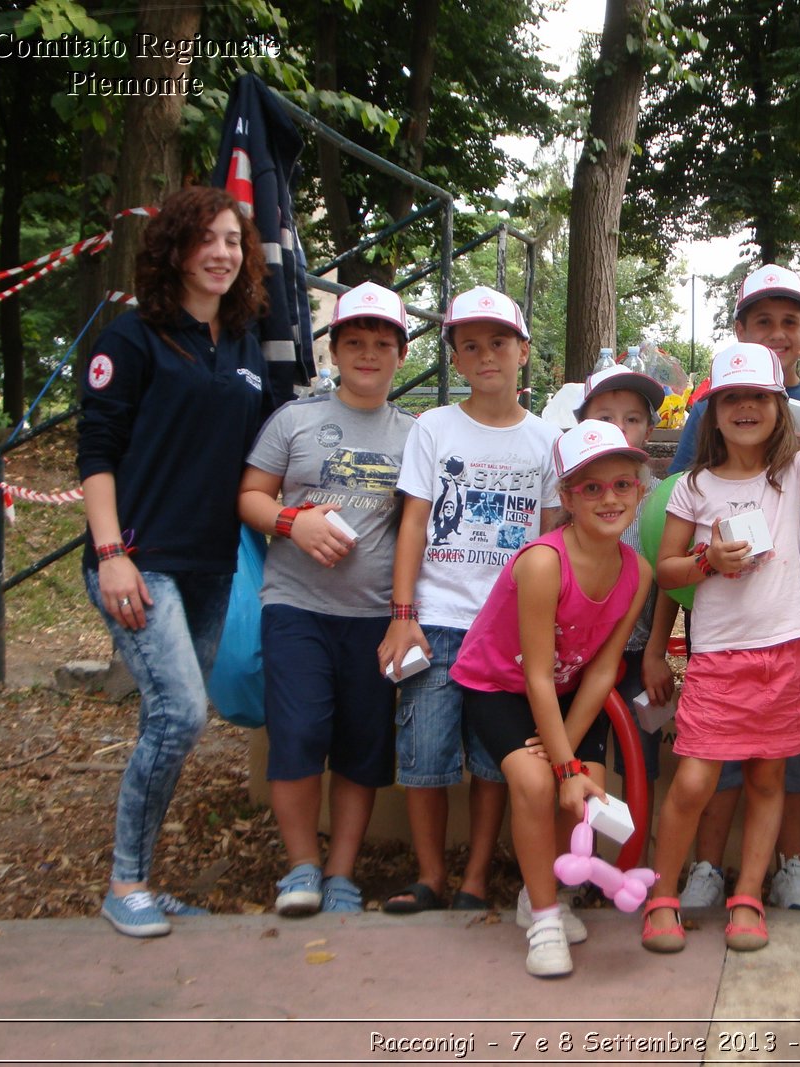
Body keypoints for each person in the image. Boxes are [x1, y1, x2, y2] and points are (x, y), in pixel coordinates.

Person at [78, 185, 274, 937]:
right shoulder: (131, 339)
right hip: (137, 559)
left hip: (211, 563)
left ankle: (141, 880)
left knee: (169, 722)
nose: (223, 252)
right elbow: (95, 454)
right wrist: (111, 554)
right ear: (174, 249)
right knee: (182, 711)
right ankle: (126, 881)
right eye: (207, 239)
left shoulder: (245, 343)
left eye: (233, 239)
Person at [641, 340, 800, 954]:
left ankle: (748, 896)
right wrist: (706, 561)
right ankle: (663, 896)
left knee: (770, 779)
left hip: (786, 650)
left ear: (780, 405)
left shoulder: (794, 473)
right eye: (731, 398)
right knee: (693, 781)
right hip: (717, 658)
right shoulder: (693, 485)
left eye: (758, 398)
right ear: (712, 412)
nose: (745, 408)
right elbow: (665, 570)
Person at [380, 286, 561, 915]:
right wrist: (403, 616)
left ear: (523, 353)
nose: (487, 356)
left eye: (499, 343)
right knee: (424, 754)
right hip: (437, 621)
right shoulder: (434, 428)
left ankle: (476, 877)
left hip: (508, 631)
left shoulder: (546, 441)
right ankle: (429, 874)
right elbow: (413, 524)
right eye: (471, 345)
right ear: (455, 358)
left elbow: (552, 540)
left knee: (494, 761)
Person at [237, 281, 416, 917]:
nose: (368, 354)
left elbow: (417, 529)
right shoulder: (295, 420)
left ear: (400, 354)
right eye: (355, 342)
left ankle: (341, 874)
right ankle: (301, 869)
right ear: (334, 350)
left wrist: (404, 614)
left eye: (382, 344)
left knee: (362, 746)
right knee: (299, 733)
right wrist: (293, 522)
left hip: (374, 617)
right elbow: (251, 495)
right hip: (296, 607)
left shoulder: (414, 435)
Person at [668, 265, 800, 915]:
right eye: (762, 321)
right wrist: (665, 634)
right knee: (718, 750)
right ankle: (709, 866)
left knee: (791, 751)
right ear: (738, 329)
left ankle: (789, 867)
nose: (777, 334)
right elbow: (678, 518)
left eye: (789, 322)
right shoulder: (712, 410)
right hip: (722, 606)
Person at [450, 421, 652, 976]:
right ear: (565, 497)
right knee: (538, 783)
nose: (608, 498)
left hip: (569, 693)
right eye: (590, 488)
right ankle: (542, 914)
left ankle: (546, 893)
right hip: (502, 687)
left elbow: (605, 667)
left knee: (586, 787)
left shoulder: (639, 571)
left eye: (621, 485)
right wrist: (559, 763)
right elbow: (536, 674)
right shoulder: (543, 561)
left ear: (640, 489)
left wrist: (573, 760)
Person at [575, 367, 677, 806]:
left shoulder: (663, 500)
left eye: (632, 418)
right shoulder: (574, 495)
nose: (619, 428)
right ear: (583, 425)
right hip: (581, 655)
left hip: (640, 656)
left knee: (639, 761)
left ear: (650, 428)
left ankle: (634, 866)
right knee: (580, 754)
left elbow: (669, 582)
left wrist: (656, 652)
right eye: (605, 418)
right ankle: (579, 861)